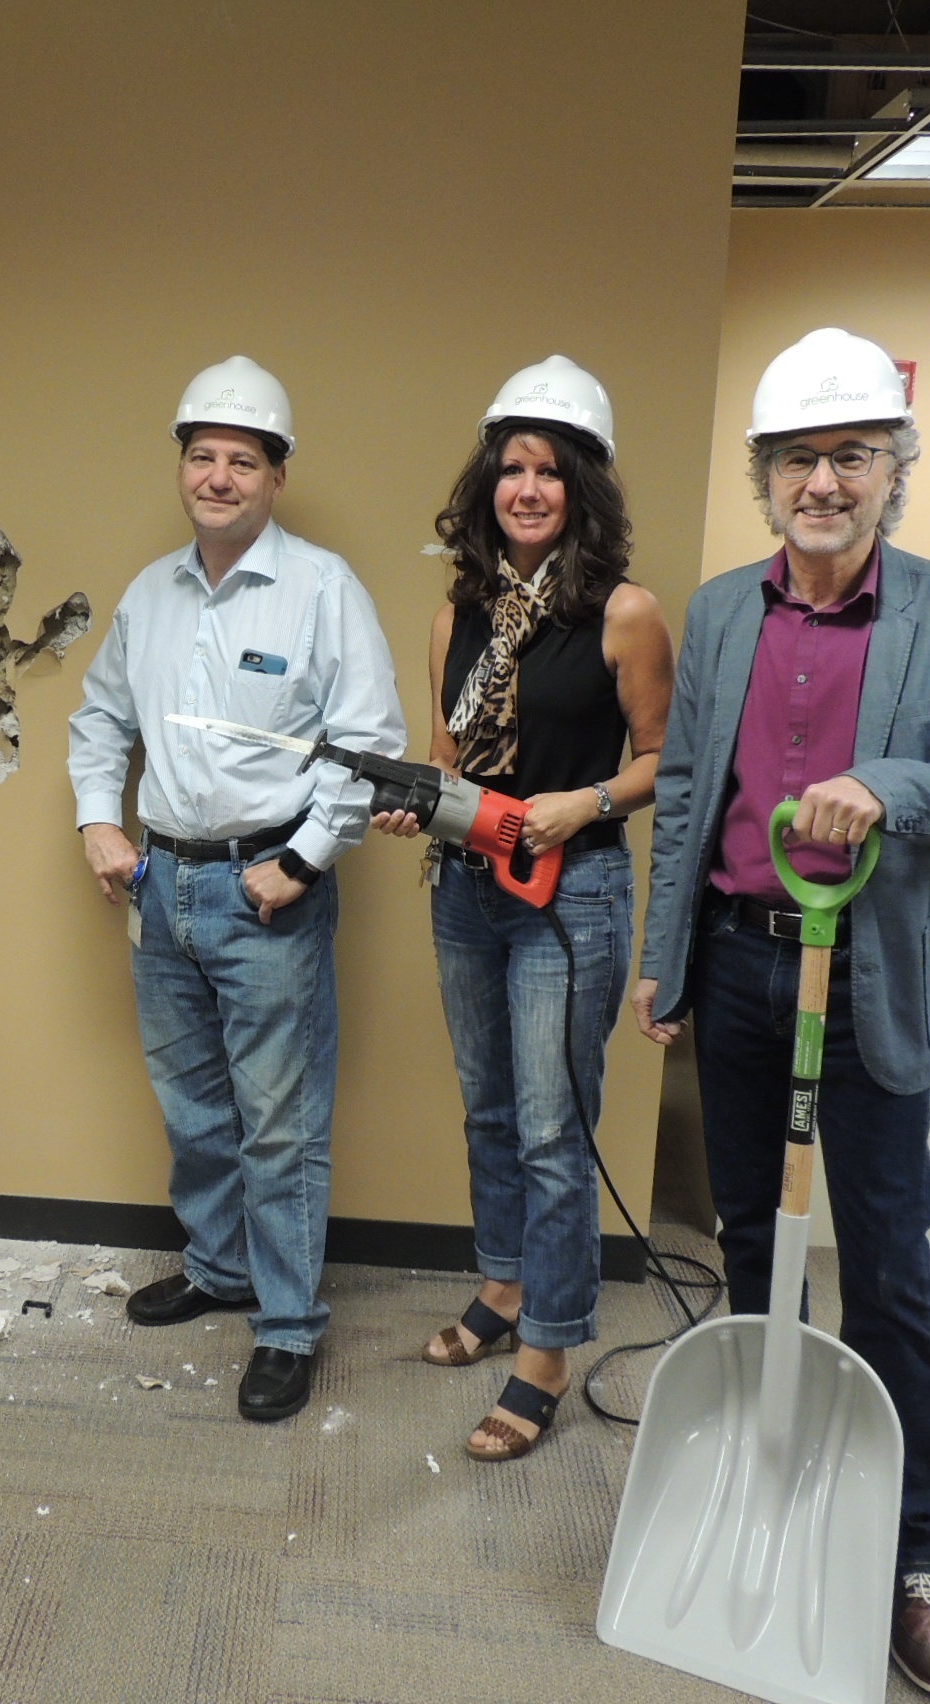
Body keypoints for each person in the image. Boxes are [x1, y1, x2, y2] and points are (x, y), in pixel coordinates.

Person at [632, 328, 930, 1700]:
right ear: (767, 476)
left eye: (851, 454)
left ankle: (913, 1556)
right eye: (800, 457)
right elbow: (686, 793)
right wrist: (660, 958)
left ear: (893, 472)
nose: (824, 480)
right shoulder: (721, 613)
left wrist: (889, 787)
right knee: (751, 1233)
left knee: (886, 1261)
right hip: (743, 964)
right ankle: (769, 1478)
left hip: (866, 968)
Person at [68, 356, 404, 1423]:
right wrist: (97, 819)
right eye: (202, 457)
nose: (218, 476)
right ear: (184, 467)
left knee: (279, 1122)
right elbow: (98, 720)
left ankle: (290, 1325)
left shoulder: (321, 589)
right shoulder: (151, 592)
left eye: (242, 461)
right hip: (162, 887)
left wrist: (300, 862)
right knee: (195, 1110)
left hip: (270, 893)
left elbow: (368, 747)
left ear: (276, 475)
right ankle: (219, 1270)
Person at [373, 358, 672, 1462]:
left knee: (553, 1131)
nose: (527, 488)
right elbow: (451, 759)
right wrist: (422, 808)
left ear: (581, 487)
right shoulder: (459, 614)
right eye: (512, 468)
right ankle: (501, 1284)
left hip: (573, 894)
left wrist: (576, 803)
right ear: (487, 482)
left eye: (550, 470)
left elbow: (662, 761)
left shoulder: (622, 613)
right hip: (468, 890)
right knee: (489, 1108)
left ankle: (544, 1350)